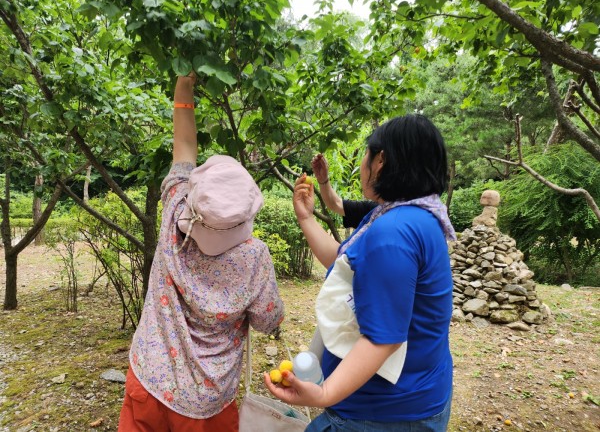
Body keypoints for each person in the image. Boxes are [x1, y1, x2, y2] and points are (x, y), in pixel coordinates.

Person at [265, 114, 456, 431]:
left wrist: (325, 392)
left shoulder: (393, 232)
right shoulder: (408, 216)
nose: (363, 163)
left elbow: (384, 339)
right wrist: (306, 219)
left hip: (383, 415)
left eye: (367, 154)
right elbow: (344, 264)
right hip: (411, 400)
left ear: (380, 160)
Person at [118, 73, 284, 432]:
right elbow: (268, 320)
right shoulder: (255, 256)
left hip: (149, 382)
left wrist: (182, 90)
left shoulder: (175, 213)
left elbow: (184, 148)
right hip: (207, 407)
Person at [311, 153, 376, 229]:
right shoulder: (374, 210)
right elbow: (335, 203)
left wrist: (305, 218)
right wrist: (323, 179)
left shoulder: (382, 216)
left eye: (367, 155)